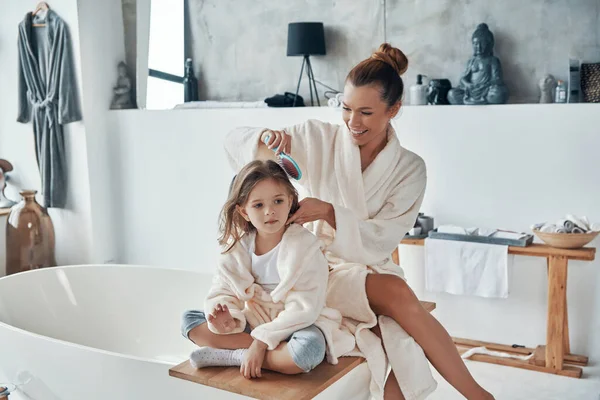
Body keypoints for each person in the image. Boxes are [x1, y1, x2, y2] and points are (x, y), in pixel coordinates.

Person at [224, 43, 495, 399]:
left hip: (366, 265)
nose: (353, 122)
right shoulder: (319, 138)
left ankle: (477, 395)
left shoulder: (410, 169)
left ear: (394, 109)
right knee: (395, 308)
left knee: (393, 338)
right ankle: (479, 395)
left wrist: (330, 213)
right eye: (346, 108)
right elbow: (233, 144)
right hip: (313, 266)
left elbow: (382, 240)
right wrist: (265, 139)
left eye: (366, 112)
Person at [181, 160, 355, 379]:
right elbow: (223, 290)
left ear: (290, 201)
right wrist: (226, 318)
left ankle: (235, 355)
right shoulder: (237, 249)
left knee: (308, 352)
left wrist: (262, 342)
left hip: (295, 324)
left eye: (278, 201)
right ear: (244, 212)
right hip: (255, 319)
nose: (270, 211)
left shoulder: (306, 248)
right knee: (189, 321)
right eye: (258, 205)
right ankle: (257, 354)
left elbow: (305, 306)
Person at [447, 23, 508, 105]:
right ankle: (471, 99)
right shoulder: (471, 61)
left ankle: (485, 98)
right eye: (475, 44)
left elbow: (497, 80)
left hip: (485, 90)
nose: (478, 47)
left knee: (499, 92)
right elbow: (463, 79)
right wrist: (468, 85)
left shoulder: (493, 60)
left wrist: (484, 85)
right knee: (452, 94)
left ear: (489, 44)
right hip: (470, 90)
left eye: (482, 43)